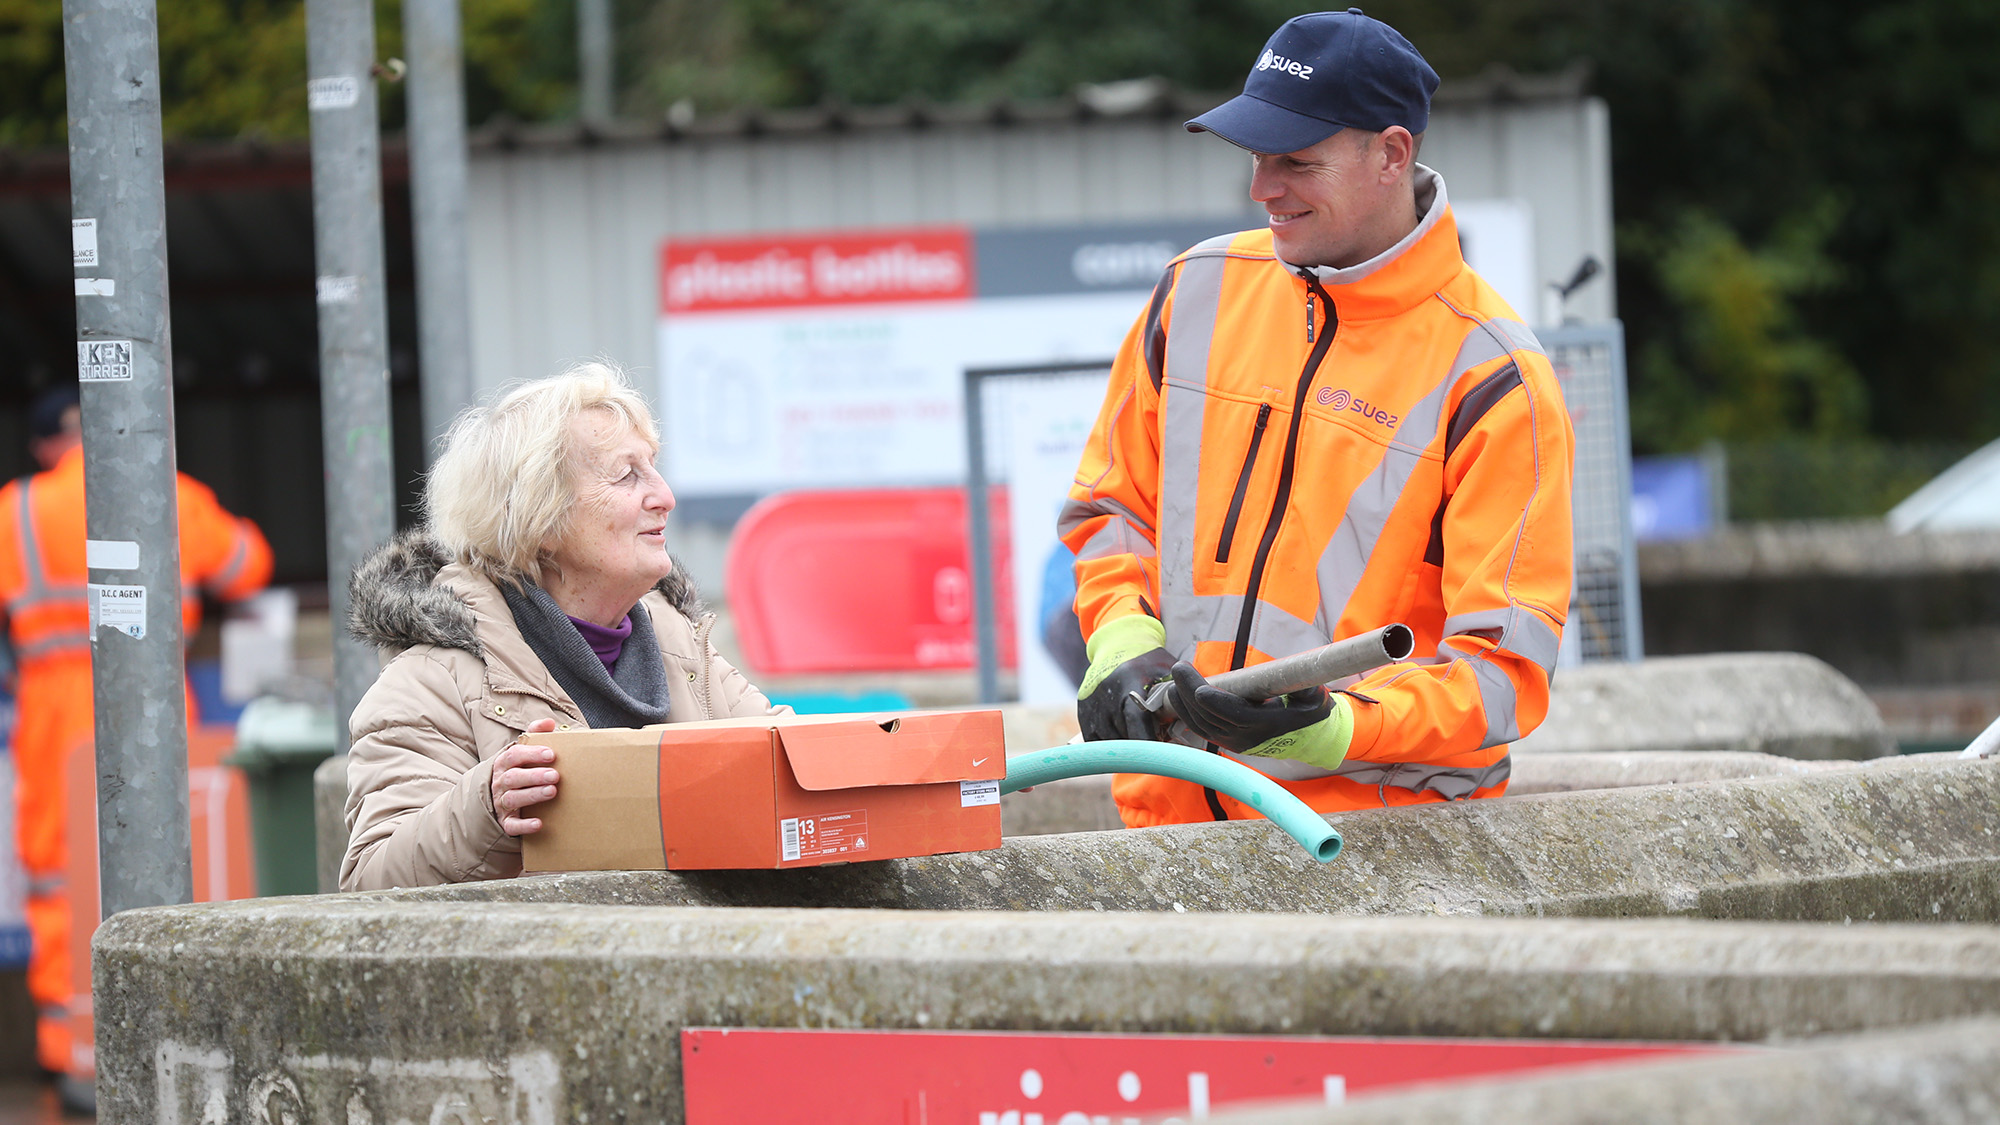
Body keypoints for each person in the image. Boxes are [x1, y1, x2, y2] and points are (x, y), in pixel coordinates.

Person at [1060, 10, 1575, 827]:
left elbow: (1503, 676)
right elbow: (1111, 511)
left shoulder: (1492, 377)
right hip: (1170, 839)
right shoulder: (1193, 292)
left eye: (1297, 160)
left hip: (1380, 853)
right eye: (1257, 157)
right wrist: (1121, 641)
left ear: (1392, 155)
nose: (1264, 186)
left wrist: (1335, 729)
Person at [342, 365, 784, 890]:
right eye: (627, 475)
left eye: (654, 468)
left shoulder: (685, 647)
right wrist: (487, 807)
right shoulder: (430, 681)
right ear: (540, 520)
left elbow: (789, 760)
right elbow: (368, 882)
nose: (664, 495)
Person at [0, 386, 271, 1096]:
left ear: (42, 445)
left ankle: (73, 1054)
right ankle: (174, 1036)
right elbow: (251, 565)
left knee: (57, 873)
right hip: (149, 697)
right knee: (166, 857)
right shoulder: (169, 491)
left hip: (52, 706)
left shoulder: (17, 509)